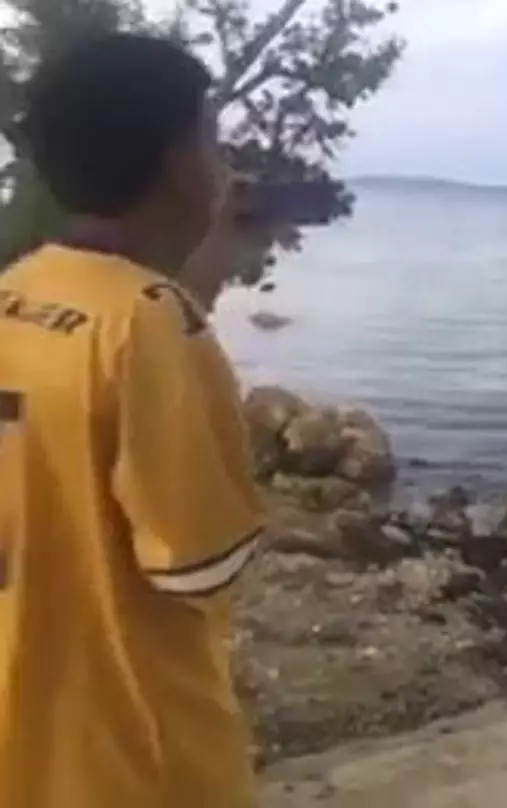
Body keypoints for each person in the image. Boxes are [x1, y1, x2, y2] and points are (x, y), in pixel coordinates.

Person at [0, 33, 266, 808]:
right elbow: (198, 559)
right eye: (209, 136)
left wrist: (205, 267)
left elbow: (100, 349)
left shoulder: (19, 288)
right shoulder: (154, 324)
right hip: (137, 756)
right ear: (182, 163)